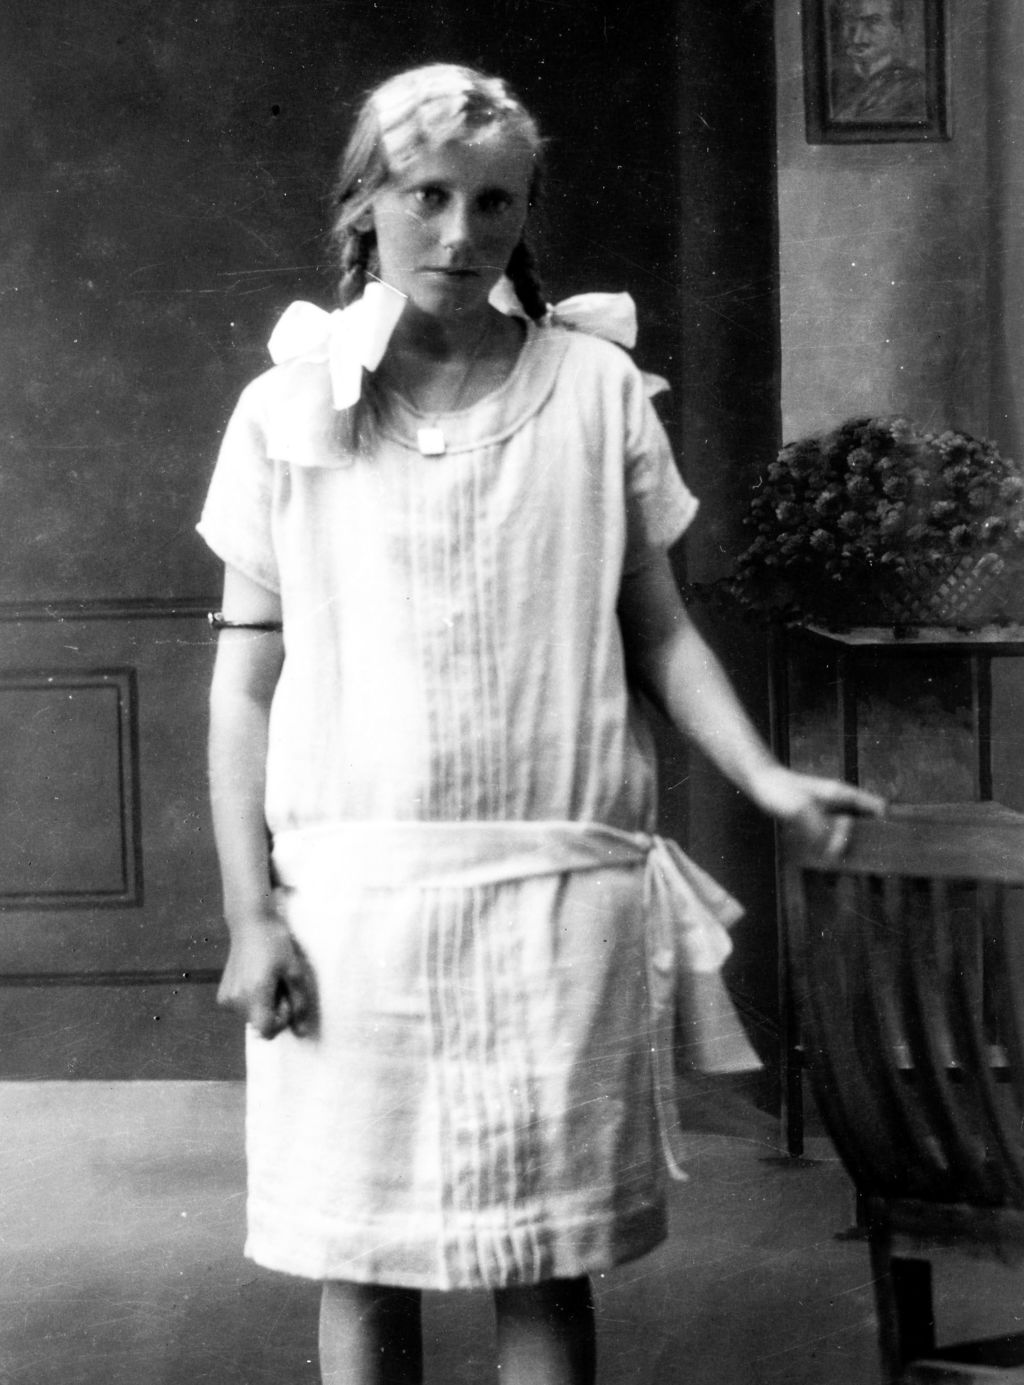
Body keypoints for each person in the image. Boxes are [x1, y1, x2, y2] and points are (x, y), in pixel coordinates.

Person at [198, 63, 883, 1385]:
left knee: (544, 1255)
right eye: (426, 196)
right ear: (363, 205)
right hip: (357, 906)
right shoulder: (286, 412)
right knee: (365, 1256)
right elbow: (242, 687)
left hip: (555, 902)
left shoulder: (593, 391)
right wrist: (250, 913)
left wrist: (763, 776)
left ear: (525, 212)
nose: (460, 233)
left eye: (494, 203)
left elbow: (659, 628)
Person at [831, 0, 928, 123]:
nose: (857, 38)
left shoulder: (913, 85)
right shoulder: (833, 81)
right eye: (851, 20)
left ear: (896, 32)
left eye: (873, 21)